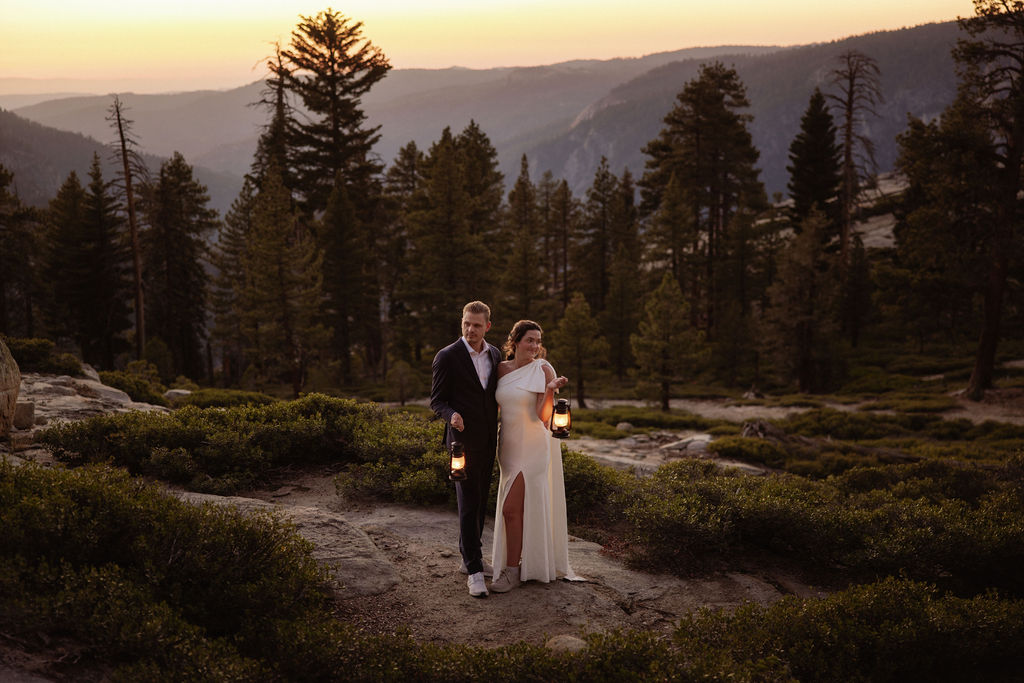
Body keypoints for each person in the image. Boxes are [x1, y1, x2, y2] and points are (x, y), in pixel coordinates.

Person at [489, 320, 580, 593]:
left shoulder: (543, 368)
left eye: (538, 341)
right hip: (507, 447)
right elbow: (494, 407)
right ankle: (517, 564)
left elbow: (543, 417)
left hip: (533, 447)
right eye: (530, 340)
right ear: (515, 341)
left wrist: (550, 389)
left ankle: (513, 571)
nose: (535, 346)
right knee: (514, 509)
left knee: (510, 510)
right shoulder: (500, 369)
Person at [430, 301, 502, 598]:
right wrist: (452, 415)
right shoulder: (447, 356)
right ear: (462, 322)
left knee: (481, 500)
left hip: (488, 441)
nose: (470, 330)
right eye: (466, 323)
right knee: (468, 502)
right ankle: (474, 571)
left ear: (487, 326)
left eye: (476, 325)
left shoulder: (495, 354)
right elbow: (437, 401)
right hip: (460, 444)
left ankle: (470, 558)